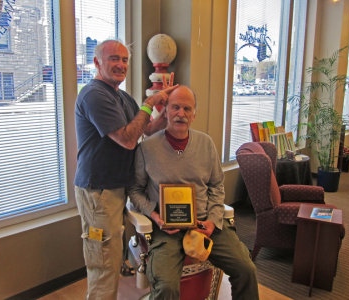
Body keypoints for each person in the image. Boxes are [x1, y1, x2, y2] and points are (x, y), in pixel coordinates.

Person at [128, 85, 259, 300]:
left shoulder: (206, 144)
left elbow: (216, 186)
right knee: (166, 286)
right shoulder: (147, 149)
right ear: (166, 112)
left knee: (246, 268)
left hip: (205, 225)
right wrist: (155, 216)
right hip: (166, 230)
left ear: (194, 115)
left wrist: (213, 220)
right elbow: (134, 190)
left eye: (187, 109)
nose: (181, 114)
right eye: (176, 107)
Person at [74, 39, 177, 300]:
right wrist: (149, 103)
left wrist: (164, 113)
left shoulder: (120, 95)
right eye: (114, 59)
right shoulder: (94, 95)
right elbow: (128, 139)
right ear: (97, 62)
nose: (121, 64)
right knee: (103, 264)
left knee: (112, 257)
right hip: (98, 190)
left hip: (115, 186)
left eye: (125, 59)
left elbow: (146, 130)